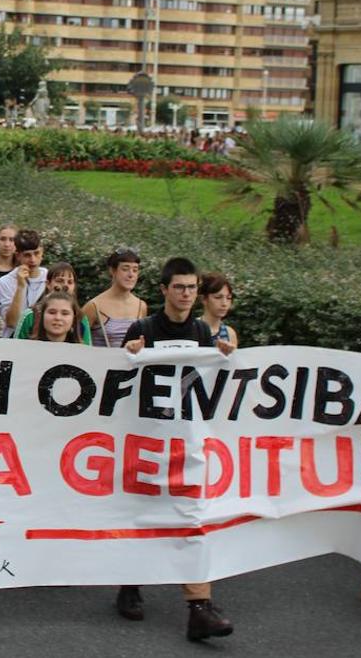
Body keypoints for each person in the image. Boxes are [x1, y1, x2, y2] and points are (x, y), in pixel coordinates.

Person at [119, 256, 235, 641]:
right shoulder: (144, 329)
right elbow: (117, 382)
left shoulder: (204, 333)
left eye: (191, 288)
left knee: (192, 519)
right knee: (143, 515)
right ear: (164, 290)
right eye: (179, 287)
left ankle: (199, 607)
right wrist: (131, 351)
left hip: (188, 444)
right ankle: (130, 584)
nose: (186, 294)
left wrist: (226, 358)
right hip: (147, 442)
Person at [82, 247, 149, 348]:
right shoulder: (94, 306)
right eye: (125, 269)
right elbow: (77, 340)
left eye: (135, 270)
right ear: (113, 271)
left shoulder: (141, 306)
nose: (131, 275)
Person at [14, 263, 93, 344]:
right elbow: (17, 348)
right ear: (48, 284)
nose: (65, 285)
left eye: (70, 282)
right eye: (60, 281)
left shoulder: (81, 317)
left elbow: (86, 349)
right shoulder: (29, 315)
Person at [0, 229, 47, 338]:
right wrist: (20, 287)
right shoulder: (5, 282)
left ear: (42, 252)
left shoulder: (49, 277)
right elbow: (12, 322)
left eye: (36, 253)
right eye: (27, 255)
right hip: (14, 340)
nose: (33, 259)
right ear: (18, 256)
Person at [199, 272, 239, 349]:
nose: (224, 303)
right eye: (218, 297)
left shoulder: (229, 333)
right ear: (204, 299)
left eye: (228, 298)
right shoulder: (193, 329)